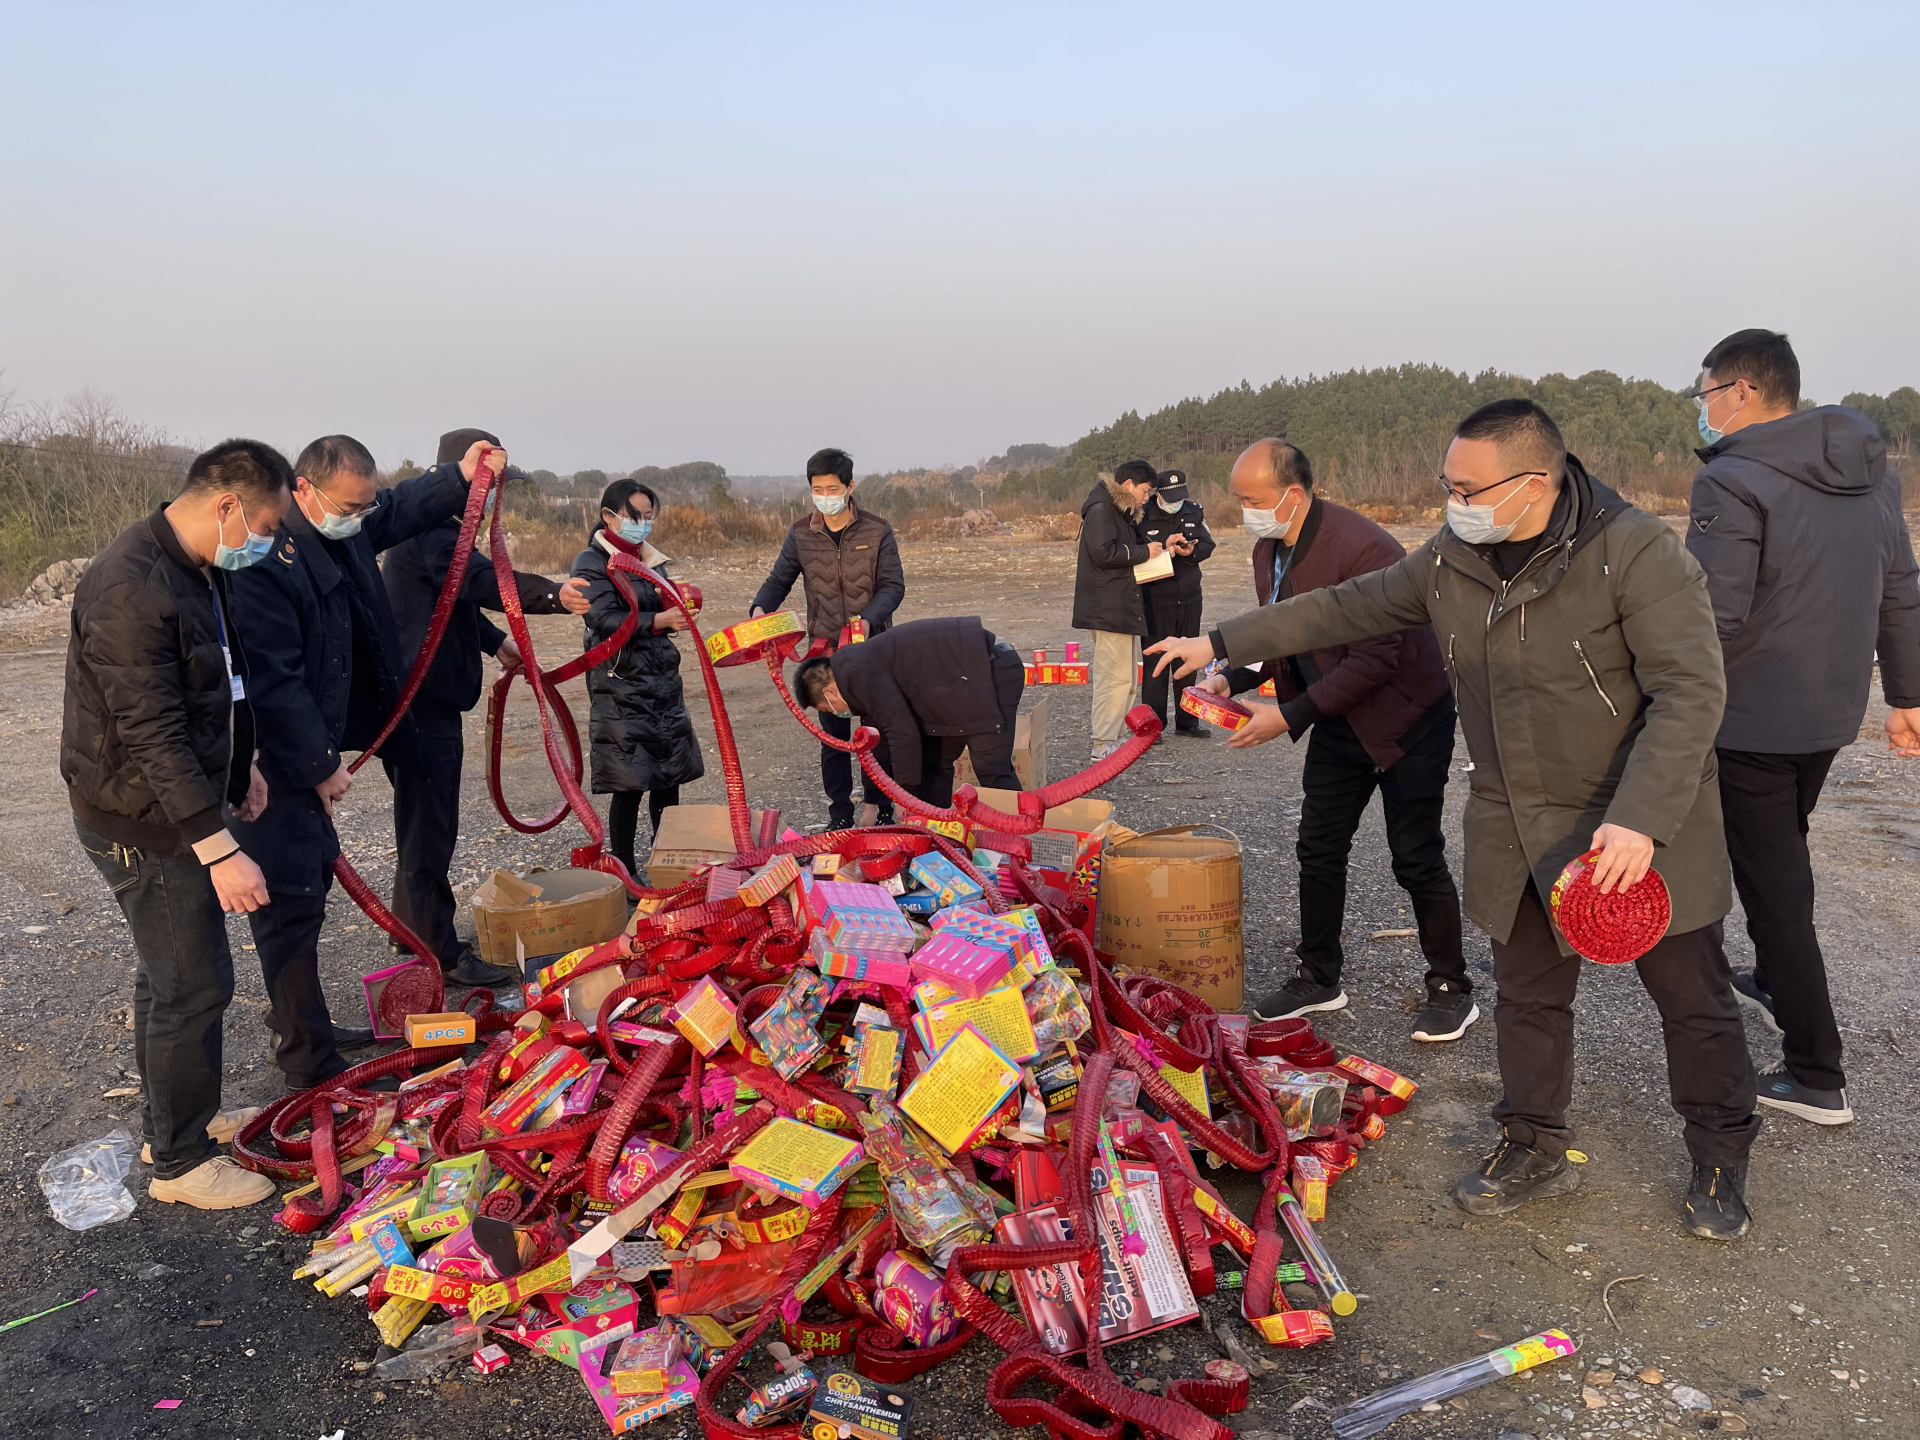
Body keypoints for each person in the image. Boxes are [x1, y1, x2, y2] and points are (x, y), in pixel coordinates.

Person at [1149, 399, 1761, 1241]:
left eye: (1467, 486)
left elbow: (1692, 692)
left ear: (1535, 483)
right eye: (1447, 483)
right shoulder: (1455, 556)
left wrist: (1641, 819)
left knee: (1690, 998)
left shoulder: (1637, 554)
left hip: (1637, 823)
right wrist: (1223, 640)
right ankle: (1533, 1141)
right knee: (1528, 996)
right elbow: (1348, 606)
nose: (1452, 500)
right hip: (1520, 819)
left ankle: (1721, 1154)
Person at [1686, 329, 1920, 1127]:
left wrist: (1657, 700)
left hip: (1750, 716)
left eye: (1706, 391)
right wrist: (1907, 695)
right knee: (1781, 857)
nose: (1706, 408)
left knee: (1774, 887)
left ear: (1741, 391)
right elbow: (1901, 589)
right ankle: (1779, 982)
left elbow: (1711, 616)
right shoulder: (1872, 474)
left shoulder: (1735, 479)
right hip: (1828, 713)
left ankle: (1816, 1070)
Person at [229, 435, 497, 1094]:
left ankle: (309, 1029)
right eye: (349, 506)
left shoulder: (339, 526)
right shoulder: (263, 559)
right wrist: (319, 764)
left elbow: (398, 508)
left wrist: (457, 478)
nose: (360, 516)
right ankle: (307, 1062)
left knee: (310, 886)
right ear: (303, 491)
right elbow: (275, 680)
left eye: (363, 504)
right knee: (290, 898)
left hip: (317, 736)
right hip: (273, 761)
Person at [62, 439, 290, 1209]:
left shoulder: (195, 568)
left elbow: (217, 684)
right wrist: (219, 846)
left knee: (168, 979)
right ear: (227, 505)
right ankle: (182, 1166)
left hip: (175, 805)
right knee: (194, 984)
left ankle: (179, 1121)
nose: (266, 541)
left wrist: (242, 767)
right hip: (142, 821)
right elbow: (150, 734)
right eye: (263, 524)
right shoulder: (129, 587)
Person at [1192, 439, 1472, 1043]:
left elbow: (1377, 658)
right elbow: (1282, 636)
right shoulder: (1271, 549)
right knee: (1318, 848)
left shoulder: (1364, 547)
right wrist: (1230, 674)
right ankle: (1318, 976)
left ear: (1292, 494)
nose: (1246, 513)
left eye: (1252, 500)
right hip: (1338, 717)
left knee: (1415, 855)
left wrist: (1287, 716)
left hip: (1406, 719)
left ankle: (1451, 987)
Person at [380, 427, 590, 985]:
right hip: (423, 709)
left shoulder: (431, 533)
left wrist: (498, 643)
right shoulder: (433, 533)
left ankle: (413, 932)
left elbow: (452, 602)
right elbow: (479, 580)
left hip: (418, 705)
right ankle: (441, 956)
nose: (499, 497)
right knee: (430, 831)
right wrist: (553, 594)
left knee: (419, 824)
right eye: (492, 484)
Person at [749, 448, 906, 828]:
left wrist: (868, 621)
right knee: (833, 739)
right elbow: (779, 579)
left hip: (871, 649)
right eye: (817, 489)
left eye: (832, 488)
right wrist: (759, 609)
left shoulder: (877, 529)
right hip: (824, 653)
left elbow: (892, 586)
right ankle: (840, 815)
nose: (825, 495)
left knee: (875, 733)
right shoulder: (801, 533)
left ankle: (879, 808)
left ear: (850, 487)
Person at [572, 478, 706, 880]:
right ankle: (624, 871)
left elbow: (660, 604)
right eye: (635, 516)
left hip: (661, 682)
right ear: (609, 516)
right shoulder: (592, 562)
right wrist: (659, 620)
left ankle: (666, 864)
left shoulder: (651, 560)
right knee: (629, 782)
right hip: (621, 686)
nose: (643, 524)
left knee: (669, 777)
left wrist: (679, 610)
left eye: (649, 517)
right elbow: (602, 618)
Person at [792, 617, 1024, 807]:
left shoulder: (857, 673)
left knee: (991, 766)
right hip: (959, 681)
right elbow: (883, 742)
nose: (835, 713)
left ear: (830, 692)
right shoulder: (851, 667)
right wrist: (886, 801)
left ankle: (1018, 840)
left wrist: (905, 799)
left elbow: (902, 733)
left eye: (826, 708)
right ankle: (936, 836)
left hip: (992, 667)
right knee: (933, 763)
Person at [1074, 459, 1185, 760]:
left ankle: (1116, 736)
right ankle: (1102, 742)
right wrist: (1142, 551)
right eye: (1146, 491)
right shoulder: (1101, 511)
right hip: (1109, 608)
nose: (1146, 498)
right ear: (1128, 486)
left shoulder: (1119, 513)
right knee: (1112, 677)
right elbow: (1103, 552)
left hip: (1120, 605)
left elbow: (1130, 551)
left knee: (1125, 677)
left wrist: (1163, 547)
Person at [1135, 468, 1216, 740]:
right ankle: (1153, 725)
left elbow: (1208, 544)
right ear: (1157, 493)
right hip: (1156, 599)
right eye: (1170, 497)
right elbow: (1137, 557)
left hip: (1190, 598)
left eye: (1180, 496)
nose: (1176, 502)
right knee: (1155, 664)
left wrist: (1192, 552)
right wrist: (1164, 548)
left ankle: (1187, 720)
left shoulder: (1194, 511)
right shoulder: (1141, 516)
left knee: (1187, 659)